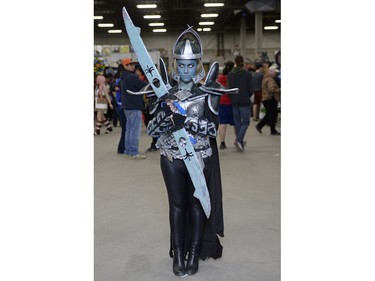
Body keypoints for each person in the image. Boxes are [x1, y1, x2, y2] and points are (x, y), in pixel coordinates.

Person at [146, 27, 230, 276]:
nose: (185, 71)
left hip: (199, 157)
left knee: (196, 205)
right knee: (177, 206)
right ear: (176, 66)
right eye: (181, 66)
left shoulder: (208, 93)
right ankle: (179, 254)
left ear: (197, 66)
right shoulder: (164, 93)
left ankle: (193, 254)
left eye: (190, 66)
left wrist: (189, 122)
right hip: (170, 157)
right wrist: (167, 120)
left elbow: (213, 130)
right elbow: (151, 129)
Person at [120, 58, 148, 159]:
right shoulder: (132, 77)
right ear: (125, 66)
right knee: (134, 131)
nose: (132, 66)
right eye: (129, 65)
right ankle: (133, 152)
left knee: (129, 130)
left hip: (127, 107)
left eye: (133, 64)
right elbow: (145, 86)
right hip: (134, 106)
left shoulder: (123, 77)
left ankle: (128, 151)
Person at [227, 55, 253, 152]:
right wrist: (247, 95)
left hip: (234, 101)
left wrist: (233, 98)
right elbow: (251, 89)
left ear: (235, 62)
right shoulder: (247, 74)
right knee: (245, 122)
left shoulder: (230, 75)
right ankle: (238, 140)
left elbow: (228, 89)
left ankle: (240, 142)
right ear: (243, 62)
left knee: (237, 122)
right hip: (245, 101)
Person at [255, 65, 281, 135]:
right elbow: (272, 89)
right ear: (271, 71)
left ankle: (260, 126)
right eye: (275, 72)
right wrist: (279, 90)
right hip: (270, 98)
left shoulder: (266, 78)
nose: (276, 74)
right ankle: (272, 130)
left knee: (270, 114)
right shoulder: (270, 79)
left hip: (266, 98)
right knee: (272, 114)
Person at [217, 61, 235, 149]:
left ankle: (222, 142)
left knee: (222, 123)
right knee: (236, 122)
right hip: (232, 101)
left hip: (221, 102)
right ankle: (238, 140)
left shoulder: (220, 78)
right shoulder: (233, 77)